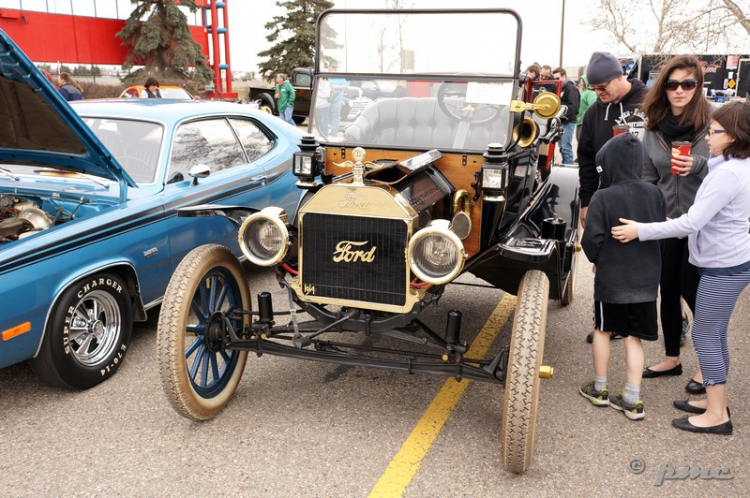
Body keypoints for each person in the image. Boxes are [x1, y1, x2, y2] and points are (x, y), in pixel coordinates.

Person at [612, 102, 750, 435]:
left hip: (724, 267)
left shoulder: (728, 173)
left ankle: (717, 414)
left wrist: (641, 230)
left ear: (733, 136)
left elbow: (693, 221)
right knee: (713, 333)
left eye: (715, 131)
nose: (710, 137)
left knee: (706, 335)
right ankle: (714, 401)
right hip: (730, 261)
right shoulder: (733, 165)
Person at [579, 133, 665, 421]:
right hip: (645, 282)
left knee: (603, 331)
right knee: (633, 338)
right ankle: (632, 398)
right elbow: (660, 234)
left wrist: (600, 260)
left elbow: (591, 241)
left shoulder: (603, 196)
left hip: (612, 281)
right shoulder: (655, 193)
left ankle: (600, 389)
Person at [638, 55, 711, 395]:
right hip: (667, 222)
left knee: (695, 292)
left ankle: (707, 365)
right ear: (663, 87)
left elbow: (729, 172)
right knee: (666, 289)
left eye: (687, 84)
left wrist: (695, 164)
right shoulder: (653, 129)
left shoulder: (713, 125)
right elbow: (647, 176)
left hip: (704, 223)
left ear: (698, 87)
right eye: (672, 84)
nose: (679, 90)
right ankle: (671, 358)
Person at [578, 51, 647, 344]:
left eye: (603, 87)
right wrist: (586, 200)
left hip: (645, 196)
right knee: (607, 262)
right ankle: (611, 323)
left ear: (620, 77)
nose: (598, 93)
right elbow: (585, 159)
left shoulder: (649, 102)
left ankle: (675, 318)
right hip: (607, 199)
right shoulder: (595, 112)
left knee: (650, 264)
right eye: (593, 88)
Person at [553, 67, 580, 165]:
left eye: (558, 78)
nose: (556, 81)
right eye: (554, 79)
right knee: (562, 147)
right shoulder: (560, 88)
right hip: (561, 121)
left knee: (565, 147)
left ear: (564, 76)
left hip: (567, 121)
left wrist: (561, 114)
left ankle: (568, 169)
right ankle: (566, 167)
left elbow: (574, 107)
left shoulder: (571, 88)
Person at [327, 64, 348, 137]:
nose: (329, 71)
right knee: (329, 115)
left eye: (330, 70)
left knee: (335, 115)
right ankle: (331, 129)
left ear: (334, 69)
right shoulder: (328, 78)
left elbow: (346, 86)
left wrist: (337, 87)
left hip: (337, 100)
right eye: (328, 70)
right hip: (329, 100)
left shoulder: (340, 77)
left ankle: (334, 131)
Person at [576, 75, 596, 142]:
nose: (581, 83)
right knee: (579, 140)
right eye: (581, 81)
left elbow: (591, 105)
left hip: (583, 121)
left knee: (582, 141)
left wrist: (583, 116)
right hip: (579, 121)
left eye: (583, 81)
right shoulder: (584, 92)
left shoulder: (589, 92)